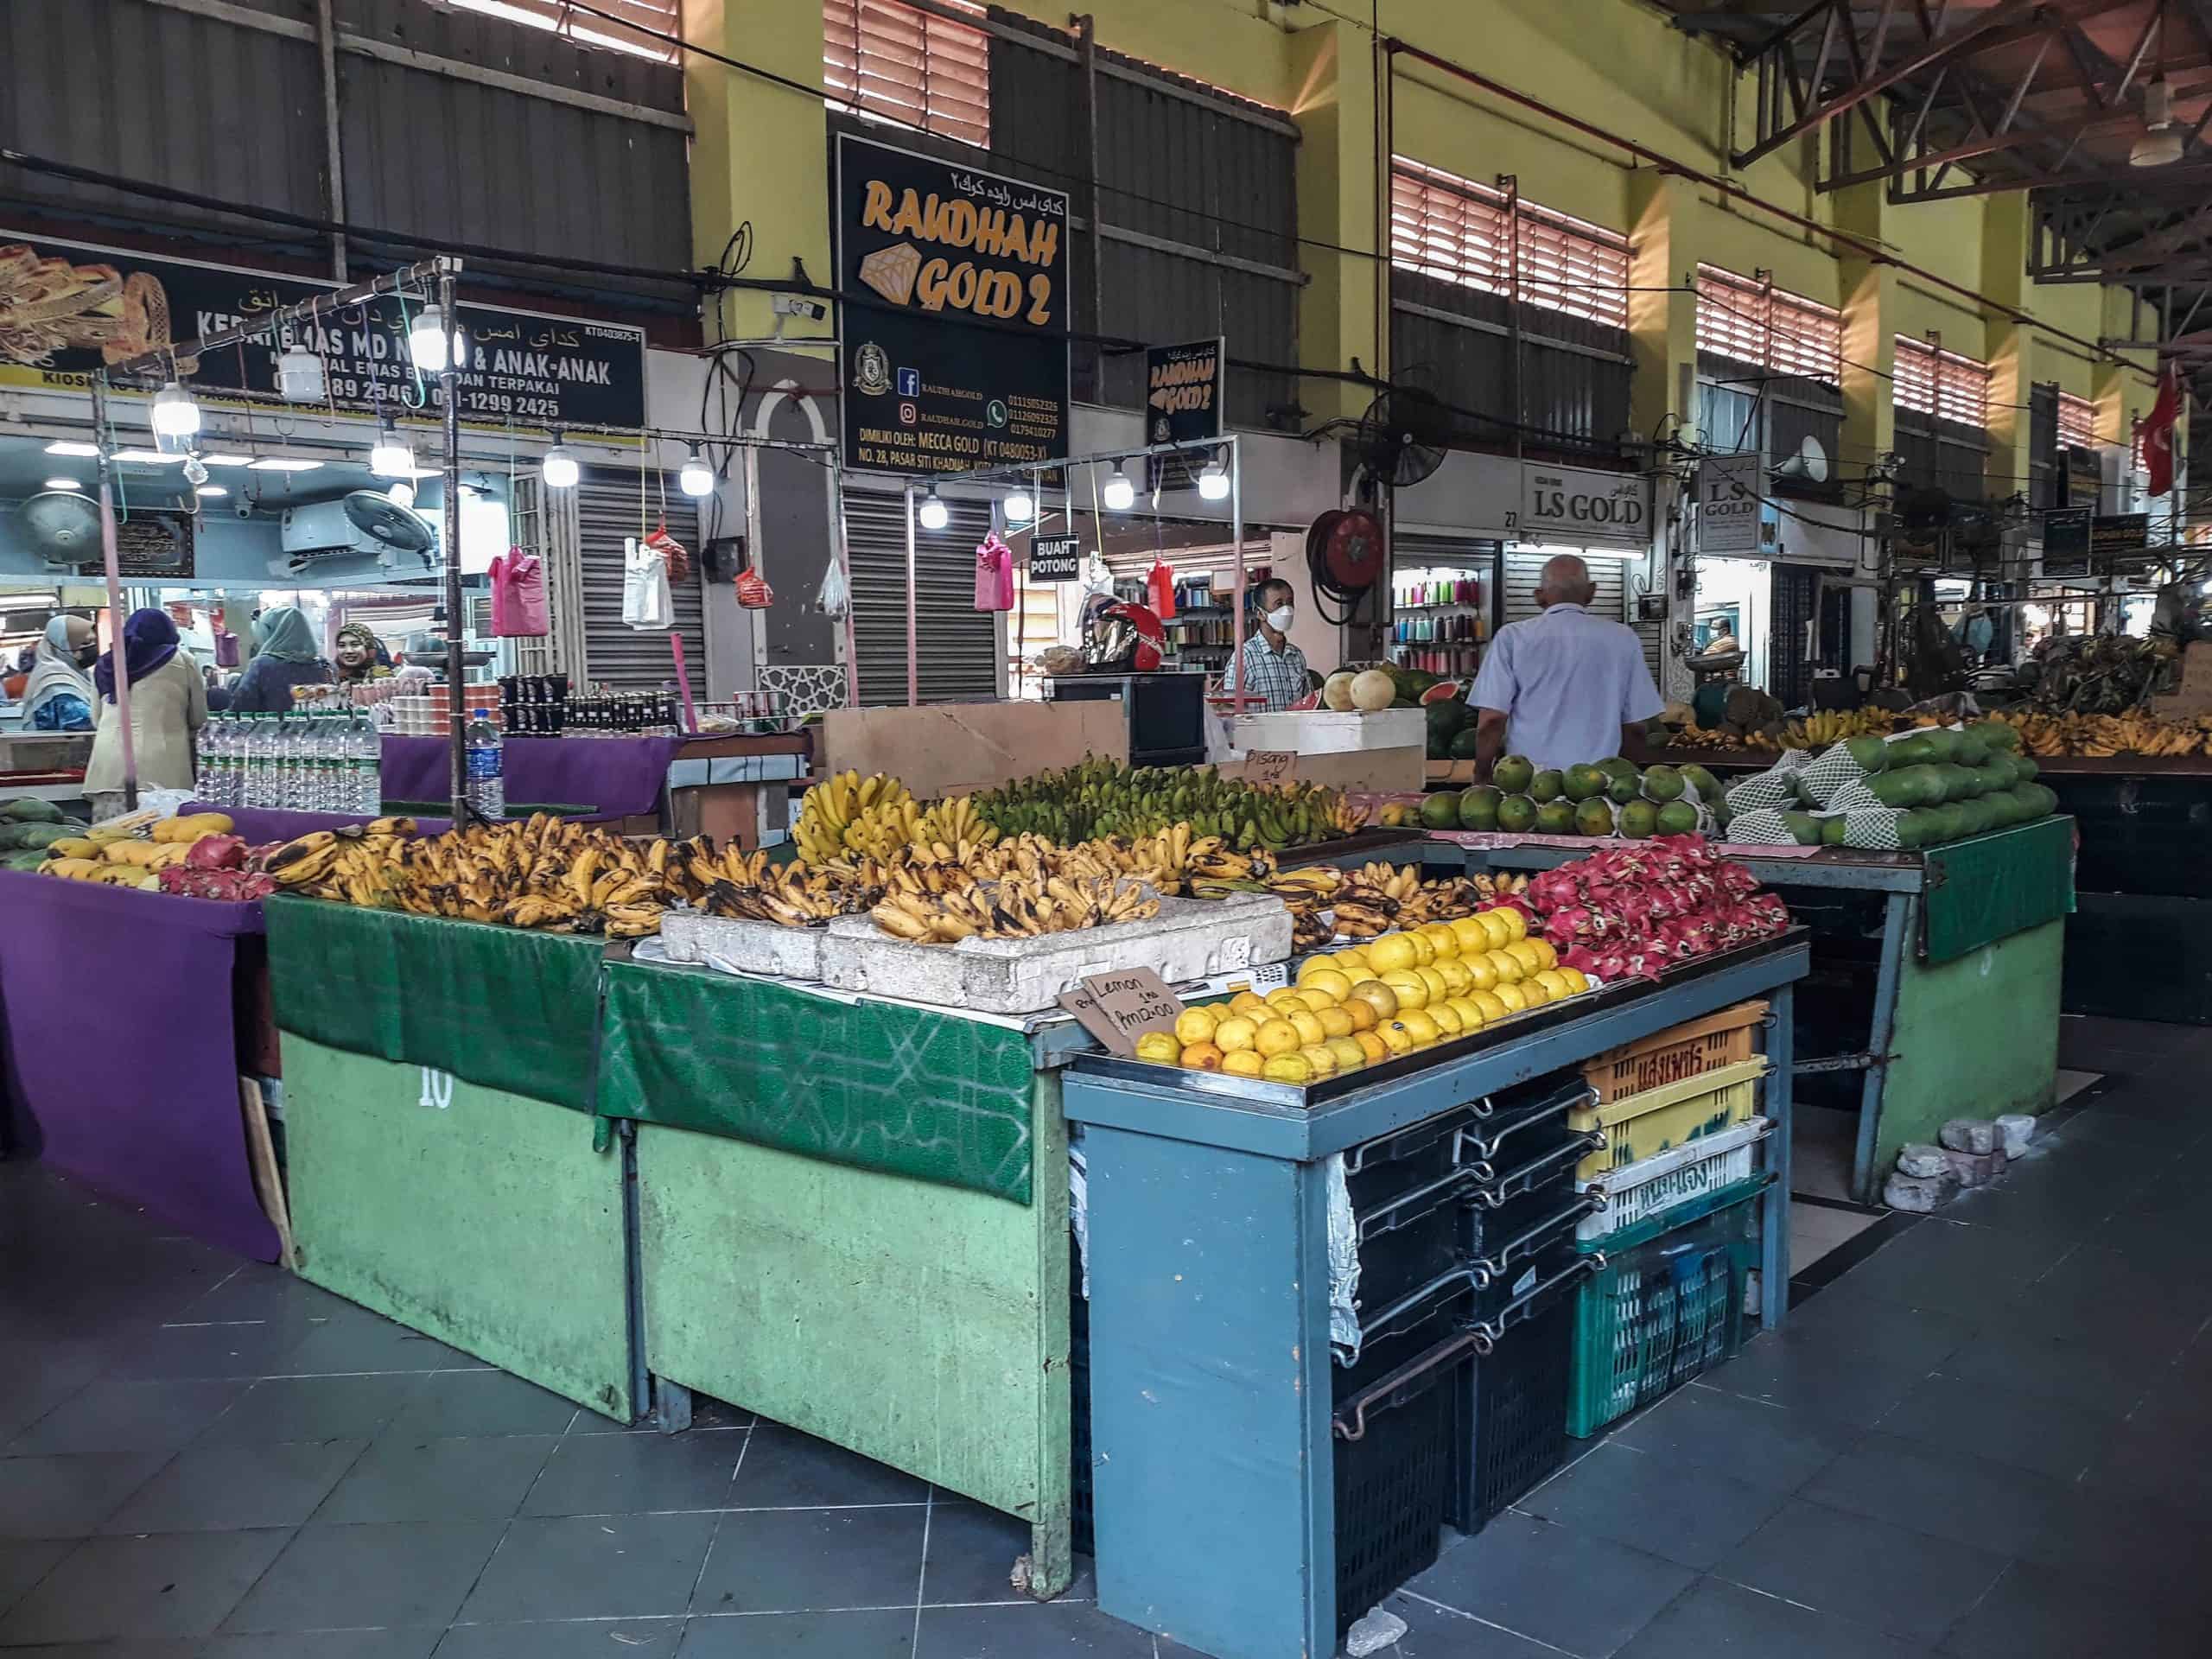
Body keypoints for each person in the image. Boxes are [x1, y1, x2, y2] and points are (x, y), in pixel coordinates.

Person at [1471, 553, 1662, 775]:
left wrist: (1482, 775)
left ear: (1538, 596)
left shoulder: (1512, 637)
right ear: (1591, 592)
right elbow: (1636, 728)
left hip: (1529, 785)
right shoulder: (1623, 638)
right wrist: (1630, 776)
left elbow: (1492, 720)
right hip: (1598, 788)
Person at [83, 608, 207, 819]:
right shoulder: (183, 661)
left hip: (108, 768)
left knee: (110, 842)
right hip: (163, 769)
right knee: (161, 843)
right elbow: (198, 718)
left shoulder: (106, 663)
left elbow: (96, 718)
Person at [1221, 577, 1309, 711]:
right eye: (1279, 604)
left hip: (1295, 731)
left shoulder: (1296, 656)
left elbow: (1307, 701)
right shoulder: (1245, 658)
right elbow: (1229, 708)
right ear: (1260, 613)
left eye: (1290, 603)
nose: (1287, 610)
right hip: (1260, 732)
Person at [225, 606, 333, 712]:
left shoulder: (262, 665)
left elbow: (240, 710)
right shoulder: (324, 666)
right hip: (320, 729)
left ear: (272, 633)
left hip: (269, 729)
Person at [19, 617, 96, 731]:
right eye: (85, 643)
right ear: (62, 645)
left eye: (94, 641)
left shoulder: (81, 674)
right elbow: (82, 722)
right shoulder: (55, 680)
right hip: (56, 747)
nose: (93, 647)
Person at [332, 621, 392, 687]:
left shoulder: (381, 675)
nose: (348, 651)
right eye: (342, 645)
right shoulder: (330, 676)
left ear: (368, 648)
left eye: (355, 645)